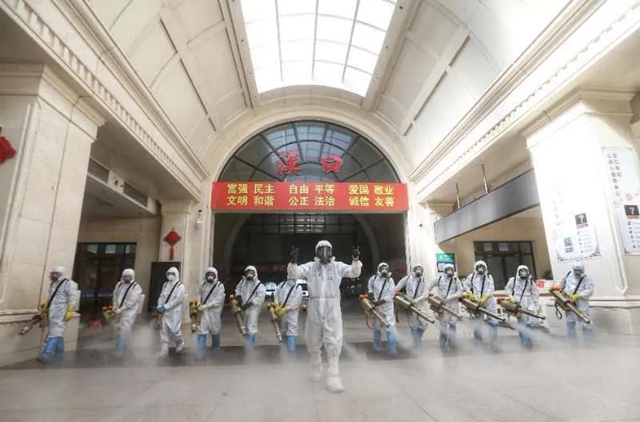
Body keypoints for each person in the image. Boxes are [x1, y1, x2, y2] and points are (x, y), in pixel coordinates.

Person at [287, 240, 362, 393]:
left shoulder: (337, 266)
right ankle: (316, 366)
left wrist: (355, 260)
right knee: (313, 338)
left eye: (328, 250)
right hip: (314, 305)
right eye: (322, 250)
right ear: (317, 252)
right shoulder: (310, 267)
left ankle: (334, 376)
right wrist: (293, 262)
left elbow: (354, 272)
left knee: (333, 339)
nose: (325, 253)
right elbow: (294, 273)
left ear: (332, 251)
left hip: (332, 306)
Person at [37, 266, 78, 364]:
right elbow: (52, 297)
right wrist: (46, 305)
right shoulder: (53, 283)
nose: (51, 275)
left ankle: (46, 355)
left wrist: (70, 310)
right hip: (52, 310)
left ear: (59, 274)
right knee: (57, 332)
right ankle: (59, 355)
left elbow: (73, 298)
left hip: (61, 311)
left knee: (55, 333)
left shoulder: (69, 284)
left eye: (53, 273)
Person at [464, 260, 498, 349]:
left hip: (489, 301)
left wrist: (484, 298)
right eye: (479, 267)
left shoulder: (489, 277)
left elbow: (491, 289)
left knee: (493, 321)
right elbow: (466, 286)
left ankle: (493, 342)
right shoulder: (471, 277)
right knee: (478, 321)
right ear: (475, 268)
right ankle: (478, 342)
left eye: (482, 267)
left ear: (485, 268)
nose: (481, 269)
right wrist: (470, 294)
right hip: (477, 302)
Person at [428, 263, 463, 348]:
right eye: (448, 270)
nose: (449, 271)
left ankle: (452, 342)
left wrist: (450, 297)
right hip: (443, 305)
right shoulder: (439, 279)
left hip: (453, 305)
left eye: (451, 269)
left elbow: (460, 291)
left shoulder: (456, 280)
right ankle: (442, 342)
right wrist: (431, 294)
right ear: (444, 271)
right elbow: (429, 286)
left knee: (453, 324)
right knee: (443, 324)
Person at [558, 262, 594, 342]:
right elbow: (561, 285)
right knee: (570, 322)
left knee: (585, 321)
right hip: (569, 301)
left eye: (579, 271)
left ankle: (589, 343)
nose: (577, 272)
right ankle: (572, 343)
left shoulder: (587, 278)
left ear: (583, 270)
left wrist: (579, 295)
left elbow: (590, 290)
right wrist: (557, 291)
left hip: (581, 302)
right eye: (576, 270)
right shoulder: (568, 274)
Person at [505, 265, 539, 348]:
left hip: (529, 302)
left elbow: (534, 293)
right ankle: (524, 341)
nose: (523, 273)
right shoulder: (513, 280)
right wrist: (511, 298)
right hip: (518, 302)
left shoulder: (530, 281)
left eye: (525, 271)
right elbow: (508, 289)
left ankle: (529, 340)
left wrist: (536, 304)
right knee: (522, 323)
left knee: (531, 323)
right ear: (518, 272)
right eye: (522, 271)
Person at [367, 262, 397, 356]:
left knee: (390, 327)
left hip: (387, 307)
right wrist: (371, 296)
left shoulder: (390, 281)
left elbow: (391, 294)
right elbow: (370, 288)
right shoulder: (373, 279)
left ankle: (392, 350)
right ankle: (377, 349)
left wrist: (382, 301)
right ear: (378, 269)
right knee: (377, 328)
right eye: (382, 268)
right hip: (377, 308)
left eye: (386, 268)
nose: (384, 270)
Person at [111, 268, 143, 358]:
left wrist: (121, 309)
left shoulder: (136, 287)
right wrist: (115, 306)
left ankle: (119, 350)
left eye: (129, 276)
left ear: (132, 277)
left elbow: (131, 301)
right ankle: (125, 347)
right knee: (119, 328)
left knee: (124, 328)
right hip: (118, 310)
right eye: (125, 276)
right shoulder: (119, 284)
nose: (126, 278)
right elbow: (115, 295)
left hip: (129, 311)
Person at [396, 264, 429, 348]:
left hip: (420, 305)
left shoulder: (424, 281)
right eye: (416, 269)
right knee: (413, 325)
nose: (418, 271)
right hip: (410, 304)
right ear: (413, 270)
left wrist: (417, 300)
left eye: (420, 269)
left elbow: (425, 294)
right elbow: (396, 288)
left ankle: (417, 338)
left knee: (424, 323)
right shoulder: (407, 279)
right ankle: (417, 343)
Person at [156, 267, 186, 357]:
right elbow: (161, 296)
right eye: (168, 273)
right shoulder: (165, 285)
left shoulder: (180, 286)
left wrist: (165, 307)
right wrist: (159, 306)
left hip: (174, 312)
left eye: (172, 274)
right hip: (165, 312)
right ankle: (164, 350)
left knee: (175, 330)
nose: (170, 275)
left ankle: (180, 343)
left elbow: (177, 300)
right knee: (163, 330)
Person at [196, 267, 225, 359]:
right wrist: (198, 302)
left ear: (215, 276)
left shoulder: (220, 286)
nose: (210, 276)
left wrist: (207, 306)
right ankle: (201, 352)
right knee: (201, 331)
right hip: (204, 312)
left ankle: (216, 351)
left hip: (214, 313)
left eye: (212, 275)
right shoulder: (203, 284)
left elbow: (218, 300)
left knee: (215, 331)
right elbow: (199, 294)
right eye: (208, 274)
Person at [234, 265, 266, 351]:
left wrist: (250, 303)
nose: (249, 274)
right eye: (248, 272)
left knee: (251, 327)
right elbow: (237, 289)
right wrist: (238, 297)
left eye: (251, 272)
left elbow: (261, 297)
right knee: (245, 327)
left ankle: (250, 348)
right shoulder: (242, 282)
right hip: (244, 308)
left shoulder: (259, 284)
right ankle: (248, 345)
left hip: (253, 309)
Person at [274, 275, 303, 353]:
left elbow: (296, 301)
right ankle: (284, 351)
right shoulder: (282, 285)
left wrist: (287, 308)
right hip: (281, 311)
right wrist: (276, 304)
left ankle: (291, 351)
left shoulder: (298, 288)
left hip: (292, 313)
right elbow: (276, 293)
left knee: (292, 330)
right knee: (283, 330)